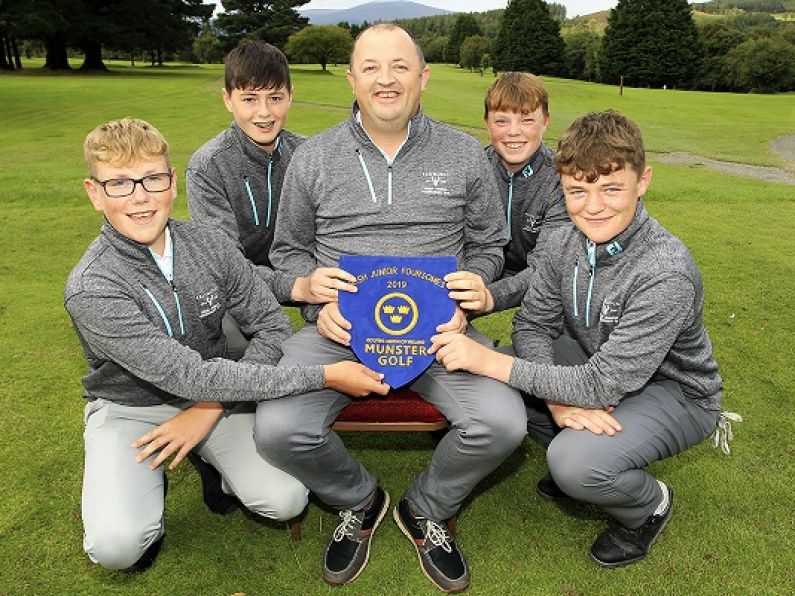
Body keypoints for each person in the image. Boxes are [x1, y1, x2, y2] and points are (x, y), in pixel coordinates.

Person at [255, 24, 527, 593]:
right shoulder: (312, 158)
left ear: (422, 78)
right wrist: (313, 300)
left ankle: (425, 507)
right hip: (339, 331)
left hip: (439, 337)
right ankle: (360, 499)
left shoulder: (461, 155)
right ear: (352, 79)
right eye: (372, 67)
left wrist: (474, 288)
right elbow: (287, 253)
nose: (386, 79)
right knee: (278, 429)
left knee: (503, 424)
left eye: (400, 66)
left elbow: (487, 244)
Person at [65, 118, 387, 572]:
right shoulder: (92, 286)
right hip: (131, 408)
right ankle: (144, 485)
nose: (140, 197)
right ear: (94, 192)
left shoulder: (212, 244)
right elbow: (187, 375)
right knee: (118, 546)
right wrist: (325, 375)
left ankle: (207, 455)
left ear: (173, 183)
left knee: (287, 499)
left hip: (223, 398)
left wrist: (207, 410)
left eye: (153, 179)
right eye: (119, 183)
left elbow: (272, 327)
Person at [431, 110, 723, 567]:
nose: (593, 206)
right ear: (561, 185)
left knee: (574, 464)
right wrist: (558, 402)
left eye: (611, 188)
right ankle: (580, 446)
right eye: (577, 190)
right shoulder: (565, 240)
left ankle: (647, 505)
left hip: (676, 391)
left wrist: (489, 362)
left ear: (643, 181)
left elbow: (602, 385)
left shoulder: (665, 271)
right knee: (502, 389)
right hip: (593, 361)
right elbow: (533, 324)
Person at [186, 40, 351, 355]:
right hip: (234, 284)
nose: (264, 112)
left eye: (275, 98)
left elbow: (335, 237)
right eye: (249, 99)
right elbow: (226, 268)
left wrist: (318, 293)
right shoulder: (208, 166)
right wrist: (299, 288)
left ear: (290, 96)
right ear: (228, 100)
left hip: (299, 269)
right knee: (244, 353)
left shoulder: (311, 155)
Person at [447, 71, 569, 316]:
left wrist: (489, 297)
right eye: (502, 121)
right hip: (486, 267)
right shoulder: (473, 168)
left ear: (546, 121)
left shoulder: (562, 179)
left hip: (548, 283)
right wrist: (467, 291)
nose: (514, 132)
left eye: (527, 120)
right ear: (486, 121)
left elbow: (546, 269)